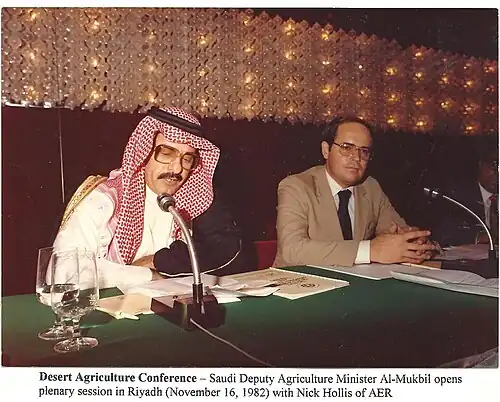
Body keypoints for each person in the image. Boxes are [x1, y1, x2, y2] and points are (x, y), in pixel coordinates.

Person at [53, 106, 250, 289]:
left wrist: (157, 261)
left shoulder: (196, 196)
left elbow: (230, 254)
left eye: (187, 159)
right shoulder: (103, 199)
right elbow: (64, 273)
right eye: (166, 153)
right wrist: (148, 275)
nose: (177, 169)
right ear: (144, 152)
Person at [273, 116, 437, 268]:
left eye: (364, 151)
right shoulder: (296, 186)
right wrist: (371, 250)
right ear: (326, 150)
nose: (356, 158)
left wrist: (415, 244)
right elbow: (292, 250)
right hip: (297, 283)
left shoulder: (370, 187)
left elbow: (398, 230)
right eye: (346, 148)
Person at [431, 142, 499, 247]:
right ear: (481, 164)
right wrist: (479, 237)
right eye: (494, 165)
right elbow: (444, 234)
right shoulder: (458, 195)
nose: (498, 173)